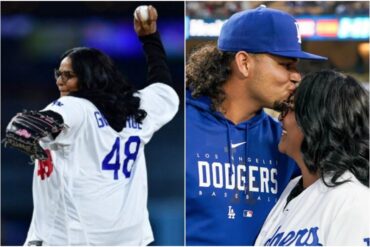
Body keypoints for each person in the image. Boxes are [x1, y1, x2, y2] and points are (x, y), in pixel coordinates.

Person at [4, 5, 179, 246]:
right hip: (130, 239)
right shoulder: (140, 108)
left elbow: (24, 128)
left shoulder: (76, 107)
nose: (59, 80)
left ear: (87, 79)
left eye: (68, 75)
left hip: (71, 239)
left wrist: (28, 133)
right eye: (59, 73)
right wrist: (150, 38)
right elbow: (163, 85)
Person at [186, 5, 327, 245]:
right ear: (244, 62)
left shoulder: (286, 143)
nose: (297, 76)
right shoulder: (182, 125)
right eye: (286, 65)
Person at [254, 70, 370, 246]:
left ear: (317, 120)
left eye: (290, 107)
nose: (280, 117)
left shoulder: (354, 201)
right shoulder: (295, 187)